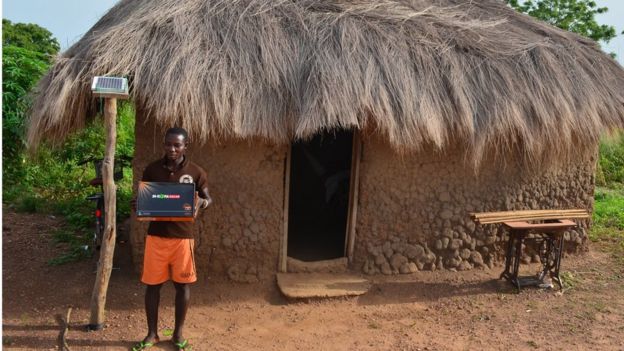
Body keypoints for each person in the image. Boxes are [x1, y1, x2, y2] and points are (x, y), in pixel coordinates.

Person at [133, 127, 212, 351]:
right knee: (152, 286)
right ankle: (152, 333)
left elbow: (208, 197)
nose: (172, 149)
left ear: (186, 146)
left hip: (182, 238)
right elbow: (146, 198)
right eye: (168, 144)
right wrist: (138, 205)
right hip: (156, 237)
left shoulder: (196, 172)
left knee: (182, 286)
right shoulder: (152, 170)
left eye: (177, 145)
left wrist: (200, 203)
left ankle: (178, 334)